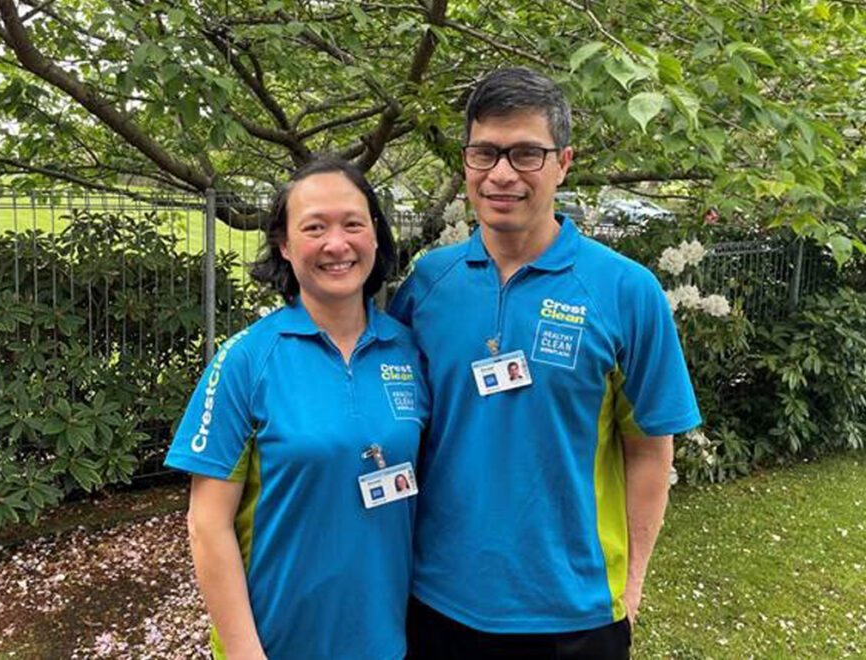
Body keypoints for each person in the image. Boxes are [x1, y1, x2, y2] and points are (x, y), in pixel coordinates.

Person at [390, 68, 700, 659]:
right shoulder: (429, 284)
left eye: (527, 153)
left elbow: (651, 451)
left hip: (574, 616)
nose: (502, 173)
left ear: (563, 162)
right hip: (437, 602)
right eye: (485, 152)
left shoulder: (626, 292)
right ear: (466, 162)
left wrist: (630, 589)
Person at [164, 157, 429, 659]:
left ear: (375, 234)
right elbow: (207, 524)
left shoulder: (411, 351)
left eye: (353, 223)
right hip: (278, 645)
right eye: (314, 228)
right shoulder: (247, 359)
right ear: (284, 245)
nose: (337, 244)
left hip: (390, 643)